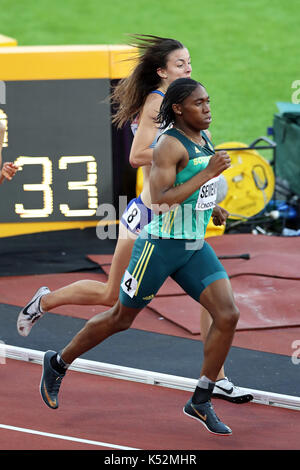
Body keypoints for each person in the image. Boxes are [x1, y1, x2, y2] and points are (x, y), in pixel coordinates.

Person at [17, 35, 251, 404]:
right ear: (161, 71)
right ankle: (44, 305)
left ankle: (216, 378)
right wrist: (176, 157)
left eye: (189, 61)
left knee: (218, 304)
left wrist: (201, 185)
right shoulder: (158, 104)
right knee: (114, 300)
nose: (187, 67)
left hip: (184, 212)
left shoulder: (189, 104)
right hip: (150, 216)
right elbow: (138, 155)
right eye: (179, 64)